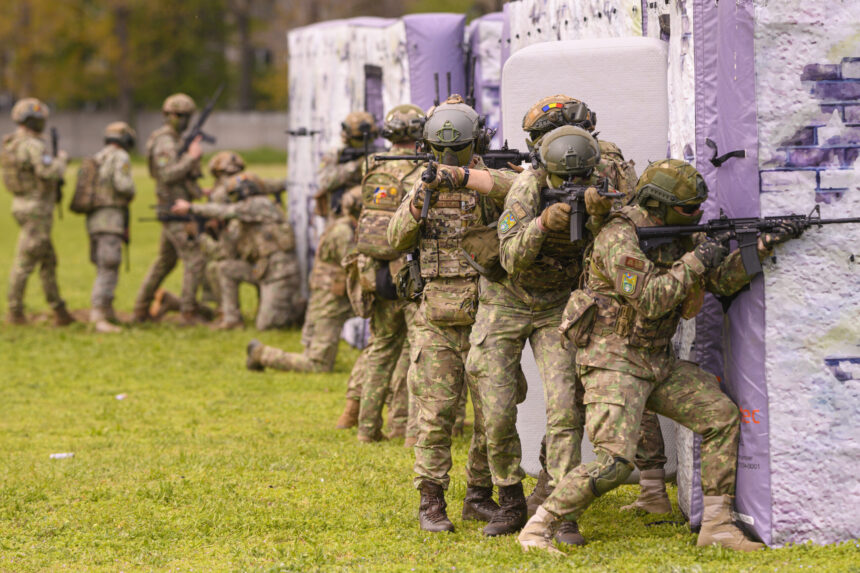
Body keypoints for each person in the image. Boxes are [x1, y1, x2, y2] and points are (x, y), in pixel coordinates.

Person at [518, 159, 804, 553]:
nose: (697, 214)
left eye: (699, 208)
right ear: (658, 203)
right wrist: (699, 257)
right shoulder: (619, 236)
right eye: (689, 209)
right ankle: (539, 526)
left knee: (720, 417)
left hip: (656, 360)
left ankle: (717, 525)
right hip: (612, 361)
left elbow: (719, 281)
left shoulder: (675, 234)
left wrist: (759, 249)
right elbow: (652, 299)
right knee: (616, 462)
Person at [464, 124, 630, 540]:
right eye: (564, 181)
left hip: (557, 302)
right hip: (506, 299)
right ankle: (509, 496)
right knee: (497, 408)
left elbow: (622, 242)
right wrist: (542, 223)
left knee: (564, 409)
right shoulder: (526, 186)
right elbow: (511, 257)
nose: (574, 185)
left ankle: (560, 507)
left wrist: (598, 218)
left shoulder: (603, 183)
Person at [517, 95, 672, 520]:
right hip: (594, 287)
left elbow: (627, 220)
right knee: (591, 392)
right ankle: (649, 488)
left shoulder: (604, 165)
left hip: (606, 288)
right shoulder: (603, 160)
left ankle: (563, 484)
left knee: (618, 387)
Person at [387, 95, 517, 533]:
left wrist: (464, 178)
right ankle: (431, 500)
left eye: (455, 150)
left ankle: (479, 495)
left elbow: (516, 190)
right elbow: (395, 238)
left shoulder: (488, 177)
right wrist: (422, 194)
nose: (446, 158)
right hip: (435, 318)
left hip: (487, 316)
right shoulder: (420, 184)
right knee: (436, 415)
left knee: (493, 415)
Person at [338, 104, 426, 443]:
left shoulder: (372, 164)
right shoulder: (423, 171)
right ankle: (409, 432)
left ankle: (366, 429)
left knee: (380, 349)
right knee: (418, 353)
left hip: (373, 271)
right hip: (410, 272)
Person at [246, 188, 361, 372]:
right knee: (318, 364)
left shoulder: (345, 226)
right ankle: (261, 354)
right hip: (331, 297)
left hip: (330, 295)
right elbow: (355, 267)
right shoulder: (343, 232)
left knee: (315, 352)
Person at [171, 173, 304, 330]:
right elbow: (224, 253)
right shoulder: (242, 219)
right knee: (225, 268)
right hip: (263, 269)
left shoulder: (259, 204)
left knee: (267, 325)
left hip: (280, 273)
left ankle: (300, 310)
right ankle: (231, 319)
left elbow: (228, 211)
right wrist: (210, 233)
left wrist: (191, 208)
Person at [132, 93, 207, 326]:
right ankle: (187, 313)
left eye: (188, 116)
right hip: (173, 209)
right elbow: (166, 174)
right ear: (169, 116)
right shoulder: (165, 141)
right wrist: (191, 158)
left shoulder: (173, 139)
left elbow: (180, 177)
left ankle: (140, 308)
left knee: (165, 261)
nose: (184, 121)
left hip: (177, 206)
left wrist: (201, 192)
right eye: (180, 116)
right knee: (194, 258)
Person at [1, 97, 73, 326]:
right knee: (25, 261)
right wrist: (61, 161)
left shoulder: (12, 142)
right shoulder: (33, 144)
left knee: (48, 260)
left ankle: (59, 310)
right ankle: (14, 312)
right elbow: (47, 172)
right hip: (36, 209)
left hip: (22, 204)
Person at [86, 122, 137, 333]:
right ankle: (98, 316)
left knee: (102, 264)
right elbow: (123, 185)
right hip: (111, 219)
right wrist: (132, 190)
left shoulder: (98, 157)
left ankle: (106, 310)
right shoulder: (120, 157)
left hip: (93, 219)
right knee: (109, 264)